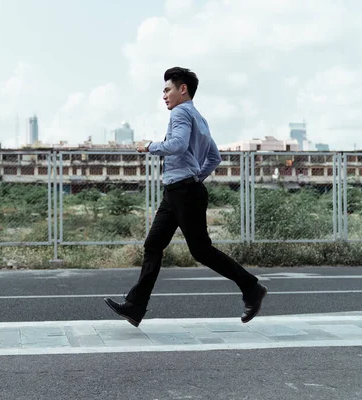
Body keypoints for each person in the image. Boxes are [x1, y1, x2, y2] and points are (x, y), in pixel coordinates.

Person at [104, 67, 267, 327]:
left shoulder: (181, 112)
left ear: (183, 89)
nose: (164, 96)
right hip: (178, 191)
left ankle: (251, 287)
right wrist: (195, 177)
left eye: (167, 89)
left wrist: (149, 147)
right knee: (153, 245)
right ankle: (135, 308)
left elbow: (177, 145)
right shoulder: (200, 118)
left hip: (183, 191)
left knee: (201, 251)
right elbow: (215, 157)